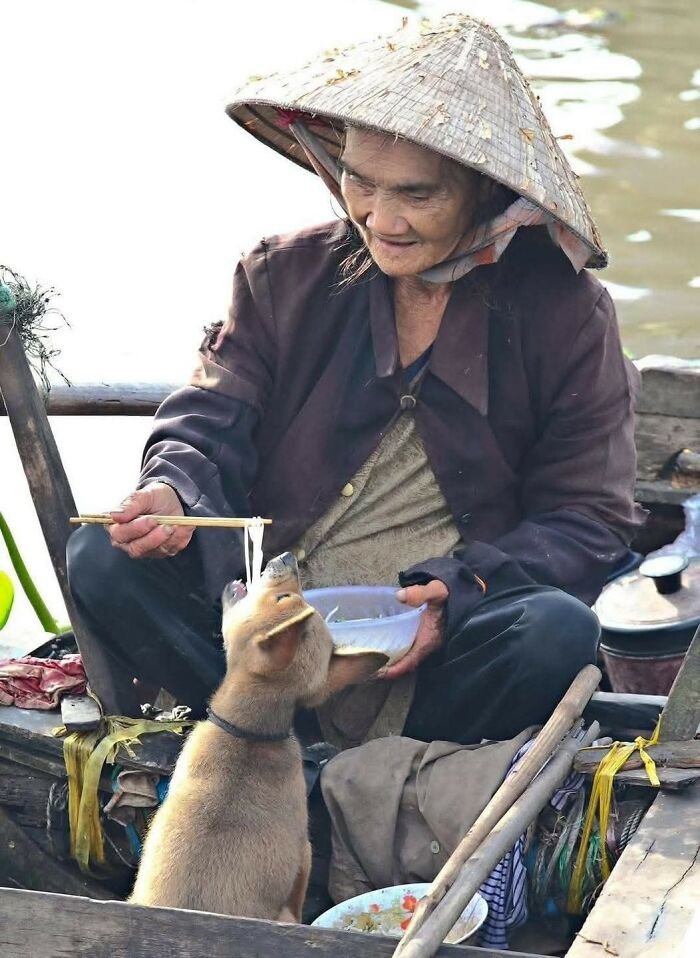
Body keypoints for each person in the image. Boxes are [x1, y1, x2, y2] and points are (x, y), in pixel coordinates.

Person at [67, 14, 645, 742]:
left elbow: (588, 519)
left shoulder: (566, 313)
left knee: (555, 631)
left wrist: (462, 590)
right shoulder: (284, 273)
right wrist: (174, 491)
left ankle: (375, 761)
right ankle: (265, 738)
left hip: (430, 654)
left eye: (418, 195)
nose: (381, 219)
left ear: (485, 192)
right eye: (360, 182)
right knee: (99, 556)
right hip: (257, 627)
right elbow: (210, 420)